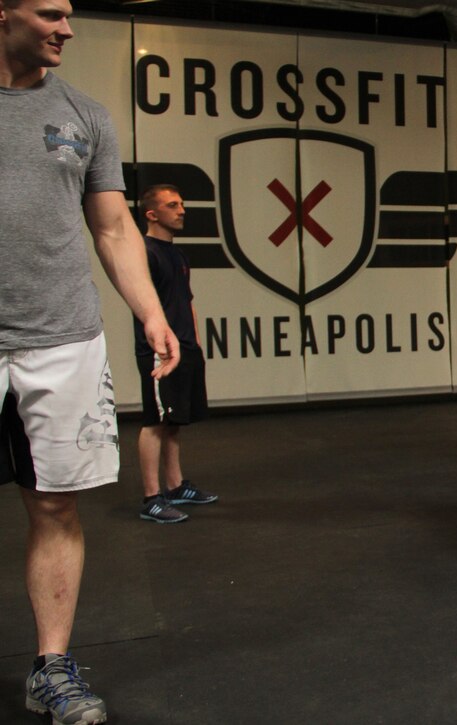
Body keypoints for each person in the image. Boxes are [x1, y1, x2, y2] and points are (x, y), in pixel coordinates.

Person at [0, 1, 180, 722]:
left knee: (55, 502)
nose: (67, 28)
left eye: (71, 14)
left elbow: (111, 228)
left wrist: (151, 311)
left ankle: (51, 666)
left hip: (62, 337)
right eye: (50, 12)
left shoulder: (85, 114)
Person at [135, 185, 217, 523]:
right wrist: (162, 346)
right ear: (152, 214)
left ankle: (174, 485)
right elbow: (143, 305)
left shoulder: (178, 254)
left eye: (182, 204)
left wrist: (194, 344)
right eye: (172, 205)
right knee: (155, 421)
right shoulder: (144, 253)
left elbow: (187, 301)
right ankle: (152, 498)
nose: (181, 210)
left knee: (173, 421)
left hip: (184, 348)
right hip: (158, 351)